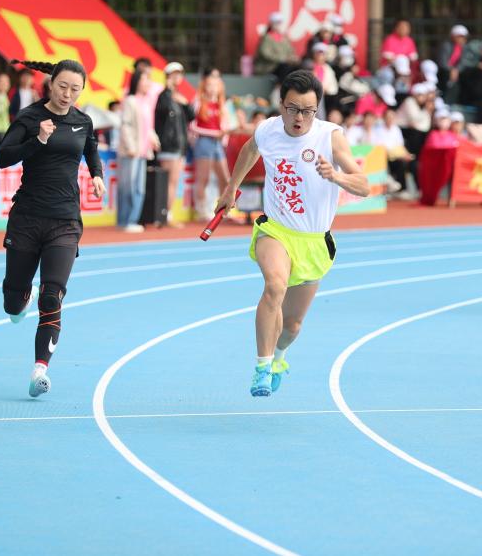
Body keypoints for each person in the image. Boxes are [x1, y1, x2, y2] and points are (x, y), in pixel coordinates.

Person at [215, 70, 369, 397]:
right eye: (293, 109)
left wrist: (337, 177)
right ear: (281, 105)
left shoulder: (330, 137)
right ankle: (261, 367)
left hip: (313, 241)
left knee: (293, 325)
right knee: (274, 286)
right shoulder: (268, 130)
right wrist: (231, 188)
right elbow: (249, 150)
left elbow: (363, 185)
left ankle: (279, 357)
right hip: (276, 230)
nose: (300, 118)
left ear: (317, 110)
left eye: (308, 111)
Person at [0, 59, 105, 397]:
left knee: (52, 294)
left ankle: (39, 370)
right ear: (50, 83)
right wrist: (37, 141)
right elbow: (3, 157)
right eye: (63, 86)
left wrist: (97, 175)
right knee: (13, 303)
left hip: (65, 220)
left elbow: (90, 150)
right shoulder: (30, 117)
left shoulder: (83, 121)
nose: (68, 94)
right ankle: (21, 297)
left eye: (75, 89)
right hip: (27, 218)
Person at [117, 70, 160, 232]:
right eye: (145, 79)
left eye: (149, 79)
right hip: (132, 152)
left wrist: (154, 139)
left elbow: (149, 127)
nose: (148, 83)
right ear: (137, 82)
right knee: (128, 187)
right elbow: (126, 125)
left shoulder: (147, 102)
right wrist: (130, 147)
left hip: (143, 152)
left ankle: (132, 219)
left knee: (139, 188)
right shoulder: (130, 101)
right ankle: (125, 220)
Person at [154, 62, 195, 226]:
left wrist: (184, 103)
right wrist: (169, 90)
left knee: (173, 182)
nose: (177, 77)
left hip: (179, 146)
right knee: (169, 182)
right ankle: (165, 214)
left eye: (179, 74)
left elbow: (191, 116)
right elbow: (162, 110)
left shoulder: (179, 97)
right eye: (173, 74)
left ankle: (166, 213)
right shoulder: (164, 96)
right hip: (169, 145)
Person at [191, 70, 232, 220]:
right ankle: (201, 210)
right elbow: (192, 126)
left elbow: (225, 126)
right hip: (204, 141)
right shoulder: (198, 102)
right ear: (204, 86)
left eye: (216, 85)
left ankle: (224, 209)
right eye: (209, 85)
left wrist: (223, 135)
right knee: (204, 178)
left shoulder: (221, 105)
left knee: (225, 178)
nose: (213, 88)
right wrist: (214, 133)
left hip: (217, 143)